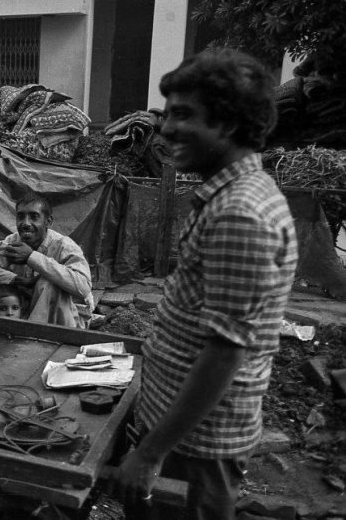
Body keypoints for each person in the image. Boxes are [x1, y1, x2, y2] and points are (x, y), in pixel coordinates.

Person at [106, 49, 298, 520]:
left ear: (229, 124)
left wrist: (150, 453)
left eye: (184, 115)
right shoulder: (225, 197)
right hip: (185, 434)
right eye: (168, 113)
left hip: (197, 445)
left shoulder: (240, 214)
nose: (166, 128)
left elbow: (225, 354)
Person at [0, 192, 94, 327]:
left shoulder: (64, 246)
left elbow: (83, 287)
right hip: (24, 311)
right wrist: (15, 279)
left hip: (64, 320)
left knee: (47, 283)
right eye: (21, 217)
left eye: (34, 217)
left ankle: (32, 340)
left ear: (48, 222)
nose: (26, 223)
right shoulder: (13, 241)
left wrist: (31, 257)